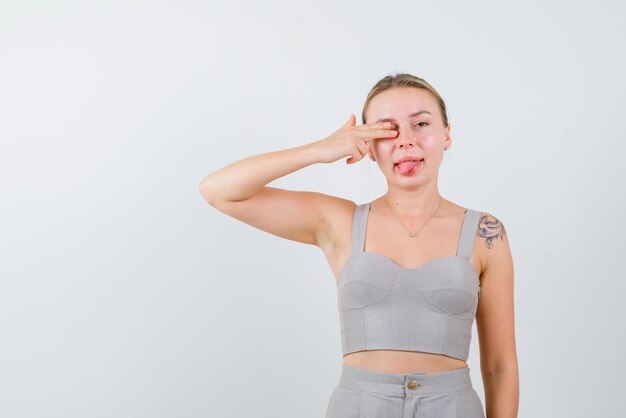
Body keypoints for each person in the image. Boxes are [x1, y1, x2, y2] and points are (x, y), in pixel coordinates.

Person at [198, 73, 519, 418]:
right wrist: (320, 150)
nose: (406, 141)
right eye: (387, 129)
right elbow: (218, 190)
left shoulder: (485, 232)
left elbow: (499, 365)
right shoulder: (340, 222)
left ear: (447, 136)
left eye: (421, 124)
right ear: (368, 145)